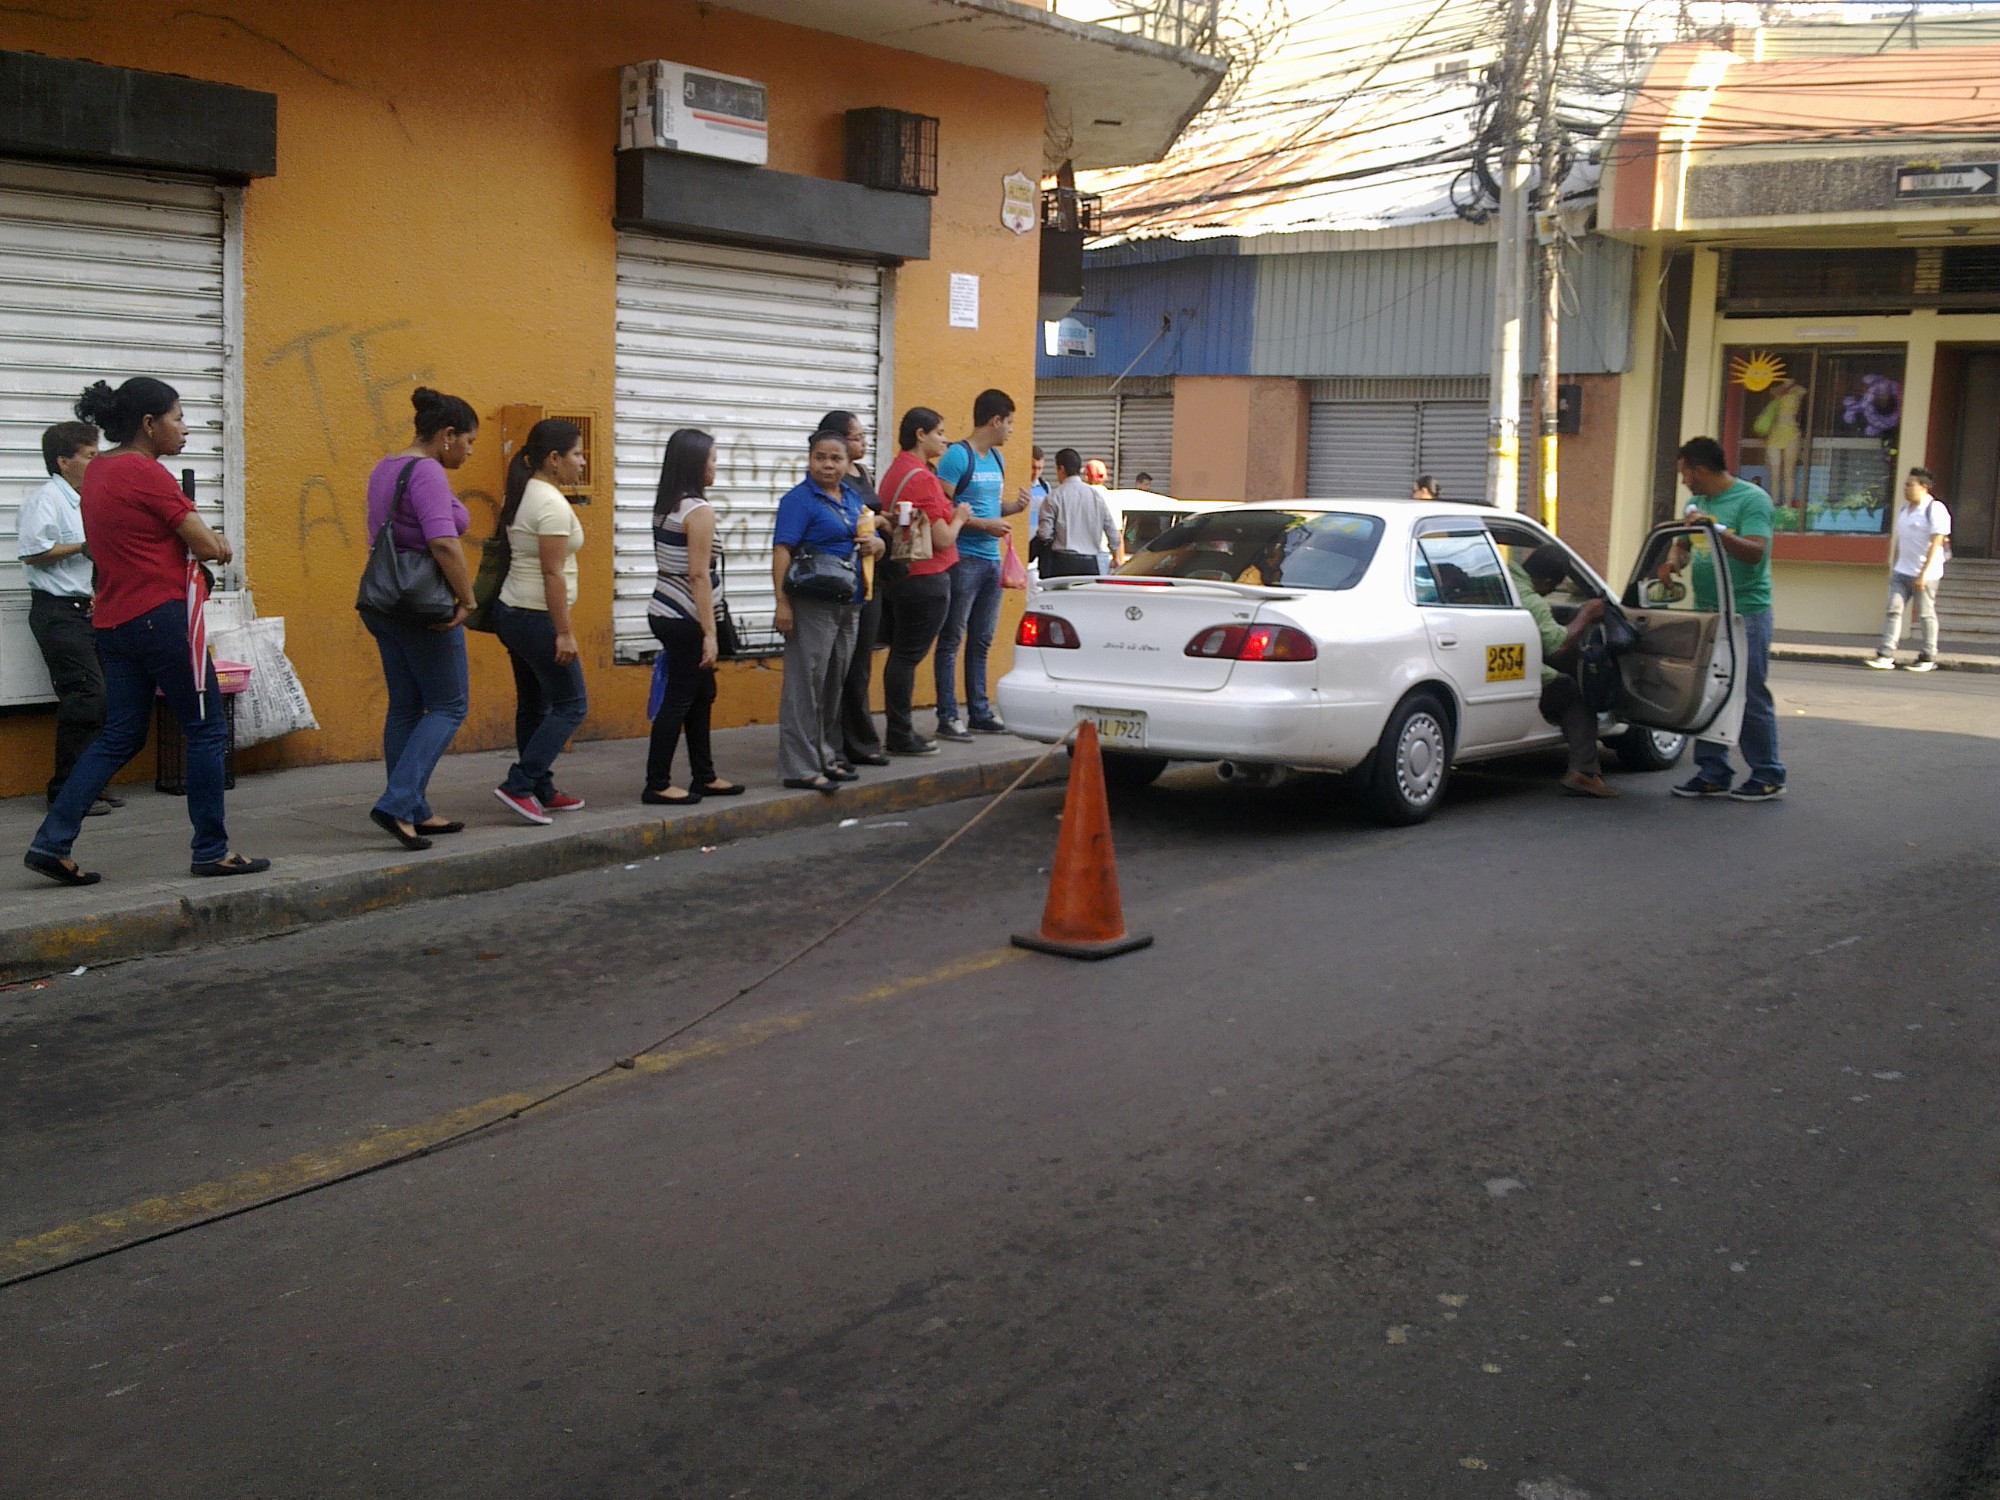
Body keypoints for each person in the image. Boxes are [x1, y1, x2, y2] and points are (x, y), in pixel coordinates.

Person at [24, 378, 267, 885]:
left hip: (114, 620)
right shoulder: (148, 473)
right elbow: (206, 547)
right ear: (150, 424)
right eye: (178, 418)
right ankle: (212, 850)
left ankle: (52, 841)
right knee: (204, 729)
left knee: (119, 735)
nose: (185, 429)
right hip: (163, 619)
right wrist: (216, 542)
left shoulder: (98, 473)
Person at [359, 387, 479, 851]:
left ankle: (413, 809)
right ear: (447, 435)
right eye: (468, 442)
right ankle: (396, 803)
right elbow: (444, 543)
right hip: (422, 604)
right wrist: (465, 600)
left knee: (406, 706)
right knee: (449, 706)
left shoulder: (385, 467)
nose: (469, 452)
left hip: (384, 602)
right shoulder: (427, 471)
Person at [1670, 435, 1784, 802]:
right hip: (1707, 611)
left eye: (1685, 473)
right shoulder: (1695, 502)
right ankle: (1713, 771)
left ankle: (1768, 774)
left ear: (1700, 470)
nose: (1684, 481)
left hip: (1745, 613)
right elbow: (1684, 545)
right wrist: (1674, 561)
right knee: (1709, 691)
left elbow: (1756, 553)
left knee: (1748, 693)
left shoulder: (1753, 500)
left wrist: (1716, 530)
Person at [490, 417, 588, 824]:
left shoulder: (527, 491)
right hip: (536, 618)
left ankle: (541, 787)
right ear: (553, 459)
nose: (582, 463)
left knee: (535, 704)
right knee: (572, 703)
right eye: (577, 454)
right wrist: (563, 633)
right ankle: (520, 783)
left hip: (514, 613)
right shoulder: (549, 503)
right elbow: (553, 574)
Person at [773, 428, 882, 791]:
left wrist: (876, 545)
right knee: (804, 686)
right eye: (820, 457)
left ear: (848, 461)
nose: (828, 465)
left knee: (832, 685)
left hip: (849, 603)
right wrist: (782, 604)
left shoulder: (852, 498)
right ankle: (799, 768)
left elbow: (869, 538)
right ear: (809, 459)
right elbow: (782, 552)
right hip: (811, 605)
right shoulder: (799, 501)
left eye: (835, 458)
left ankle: (824, 754)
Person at [18, 419, 116, 816]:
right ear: (63, 461)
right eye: (90, 455)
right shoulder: (46, 500)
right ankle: (65, 791)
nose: (97, 461)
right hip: (56, 613)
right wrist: (81, 547)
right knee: (85, 697)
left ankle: (91, 785)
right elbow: (32, 552)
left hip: (82, 608)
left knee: (105, 696)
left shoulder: (82, 499)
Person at [643, 428, 742, 805]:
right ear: (695, 464)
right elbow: (698, 575)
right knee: (681, 698)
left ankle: (705, 775)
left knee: (702, 694)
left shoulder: (667, 505)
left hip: (664, 608)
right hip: (687, 616)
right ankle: (657, 783)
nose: (716, 466)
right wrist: (709, 633)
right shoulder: (698, 511)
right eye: (712, 459)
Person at [933, 388, 1029, 741]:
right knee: (952, 638)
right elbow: (942, 512)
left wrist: (1011, 509)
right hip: (963, 560)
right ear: (995, 420)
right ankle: (947, 716)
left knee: (982, 640)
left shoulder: (997, 460)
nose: (1011, 431)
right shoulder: (957, 457)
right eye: (1010, 423)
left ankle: (979, 711)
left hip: (992, 561)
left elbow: (986, 506)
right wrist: (984, 526)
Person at [877, 406, 971, 756]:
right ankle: (900, 733)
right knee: (907, 656)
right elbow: (943, 538)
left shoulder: (897, 470)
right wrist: (960, 515)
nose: (944, 439)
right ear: (920, 434)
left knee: (902, 654)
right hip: (925, 576)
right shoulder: (920, 478)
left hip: (903, 575)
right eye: (940, 432)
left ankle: (898, 731)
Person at [1516, 544, 1614, 798]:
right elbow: (1557, 645)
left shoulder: (1504, 576)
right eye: (1552, 588)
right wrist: (1586, 614)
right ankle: (1584, 772)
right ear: (1548, 581)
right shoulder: (1531, 601)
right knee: (1571, 690)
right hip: (1519, 671)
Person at [822, 409, 890, 771]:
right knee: (837, 666)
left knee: (861, 663)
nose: (863, 442)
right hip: (841, 580)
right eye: (856, 436)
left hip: (870, 577)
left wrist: (881, 528)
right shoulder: (830, 480)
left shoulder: (863, 473)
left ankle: (861, 740)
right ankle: (835, 743)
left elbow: (870, 519)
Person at [1868, 467, 1951, 673]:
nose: (1906, 489)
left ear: (1923, 487)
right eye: (1905, 485)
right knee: (1893, 610)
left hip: (1926, 574)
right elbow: (1900, 540)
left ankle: (1928, 655)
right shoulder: (1904, 510)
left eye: (1910, 485)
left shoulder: (1935, 509)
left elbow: (1936, 542)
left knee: (1925, 614)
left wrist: (1923, 574)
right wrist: (1894, 565)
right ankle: (1886, 654)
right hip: (1902, 572)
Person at [1037, 448, 1120, 577]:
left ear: (1061, 469)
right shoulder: (1096, 496)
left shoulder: (1054, 497)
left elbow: (1045, 533)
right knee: (1086, 597)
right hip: (1090, 564)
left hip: (1062, 563)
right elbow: (1112, 532)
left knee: (1061, 597)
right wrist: (1115, 557)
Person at [1026, 445, 1051, 568]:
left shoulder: (1045, 487)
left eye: (1040, 468)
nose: (1036, 472)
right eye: (1033, 467)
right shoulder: (1018, 485)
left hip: (1036, 550)